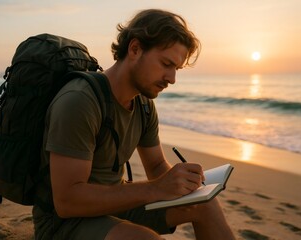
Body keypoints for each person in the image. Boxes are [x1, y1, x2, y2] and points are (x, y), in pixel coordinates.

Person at [33, 9, 236, 240]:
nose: (172, 78)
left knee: (205, 203)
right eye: (166, 64)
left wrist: (186, 184)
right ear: (135, 49)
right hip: (64, 223)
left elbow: (157, 165)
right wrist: (155, 188)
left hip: (115, 205)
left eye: (176, 69)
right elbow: (67, 201)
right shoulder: (80, 101)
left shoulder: (143, 105)